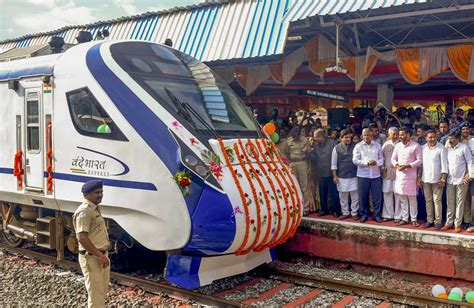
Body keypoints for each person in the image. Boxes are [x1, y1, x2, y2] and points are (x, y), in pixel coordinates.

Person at [73, 180, 111, 308]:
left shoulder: (94, 208)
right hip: (92, 258)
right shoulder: (84, 211)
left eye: (101, 192)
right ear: (86, 195)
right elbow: (82, 237)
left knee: (101, 293)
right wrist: (100, 255)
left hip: (99, 256)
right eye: (96, 192)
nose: (100, 195)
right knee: (95, 297)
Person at [391, 127, 422, 226]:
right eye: (400, 135)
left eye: (403, 134)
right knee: (402, 198)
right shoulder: (398, 146)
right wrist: (396, 165)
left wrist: (408, 165)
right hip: (400, 175)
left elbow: (420, 160)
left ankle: (413, 219)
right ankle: (404, 218)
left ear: (408, 135)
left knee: (412, 198)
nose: (401, 137)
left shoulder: (415, 146)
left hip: (411, 176)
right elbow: (393, 158)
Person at [352, 128, 384, 223]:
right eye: (364, 135)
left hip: (375, 175)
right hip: (363, 175)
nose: (366, 137)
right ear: (362, 136)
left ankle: (377, 215)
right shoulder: (358, 146)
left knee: (377, 196)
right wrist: (367, 162)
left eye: (368, 135)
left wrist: (376, 162)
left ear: (372, 135)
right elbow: (355, 160)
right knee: (363, 196)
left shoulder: (377, 145)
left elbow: (382, 159)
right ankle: (364, 214)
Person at [443, 131, 472, 232]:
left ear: (457, 139)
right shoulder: (447, 149)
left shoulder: (464, 148)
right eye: (449, 138)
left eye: (452, 138)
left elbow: (469, 161)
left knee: (460, 203)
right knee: (450, 202)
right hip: (450, 179)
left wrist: (469, 175)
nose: (450, 140)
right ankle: (449, 222)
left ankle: (457, 224)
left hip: (462, 180)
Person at [280, 126, 312, 215]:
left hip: (303, 163)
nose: (295, 138)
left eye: (296, 136)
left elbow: (310, 155)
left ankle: (306, 207)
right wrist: (288, 163)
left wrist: (306, 152)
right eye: (293, 136)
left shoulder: (305, 140)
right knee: (294, 186)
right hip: (293, 164)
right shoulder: (288, 141)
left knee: (304, 186)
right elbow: (285, 154)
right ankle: (296, 206)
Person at [309, 128, 340, 217]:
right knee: (322, 193)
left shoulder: (332, 142)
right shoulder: (315, 145)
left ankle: (335, 210)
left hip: (331, 171)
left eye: (315, 137)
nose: (314, 139)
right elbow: (313, 158)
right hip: (321, 172)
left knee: (334, 193)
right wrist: (307, 151)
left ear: (321, 136)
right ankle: (324, 210)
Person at [421, 130, 448, 229]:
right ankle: (429, 220)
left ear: (436, 137)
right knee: (428, 200)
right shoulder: (422, 148)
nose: (432, 139)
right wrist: (419, 177)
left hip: (437, 179)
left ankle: (438, 221)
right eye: (430, 137)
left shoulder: (441, 148)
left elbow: (444, 165)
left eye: (434, 137)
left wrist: (443, 178)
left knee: (437, 200)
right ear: (426, 138)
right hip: (426, 178)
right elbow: (421, 165)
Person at [331, 129, 359, 220]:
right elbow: (334, 163)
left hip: (354, 174)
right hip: (341, 175)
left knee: (355, 195)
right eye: (345, 137)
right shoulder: (336, 148)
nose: (348, 139)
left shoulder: (356, 146)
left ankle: (354, 212)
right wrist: (335, 176)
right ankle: (345, 212)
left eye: (349, 137)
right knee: (343, 195)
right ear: (340, 138)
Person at [381, 127, 400, 222]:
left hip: (399, 173)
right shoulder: (385, 145)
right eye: (393, 134)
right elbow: (381, 158)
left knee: (398, 194)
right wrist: (382, 168)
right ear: (389, 135)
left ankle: (398, 216)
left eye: (397, 134)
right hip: (387, 172)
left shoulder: (401, 144)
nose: (395, 136)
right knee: (387, 193)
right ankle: (388, 214)